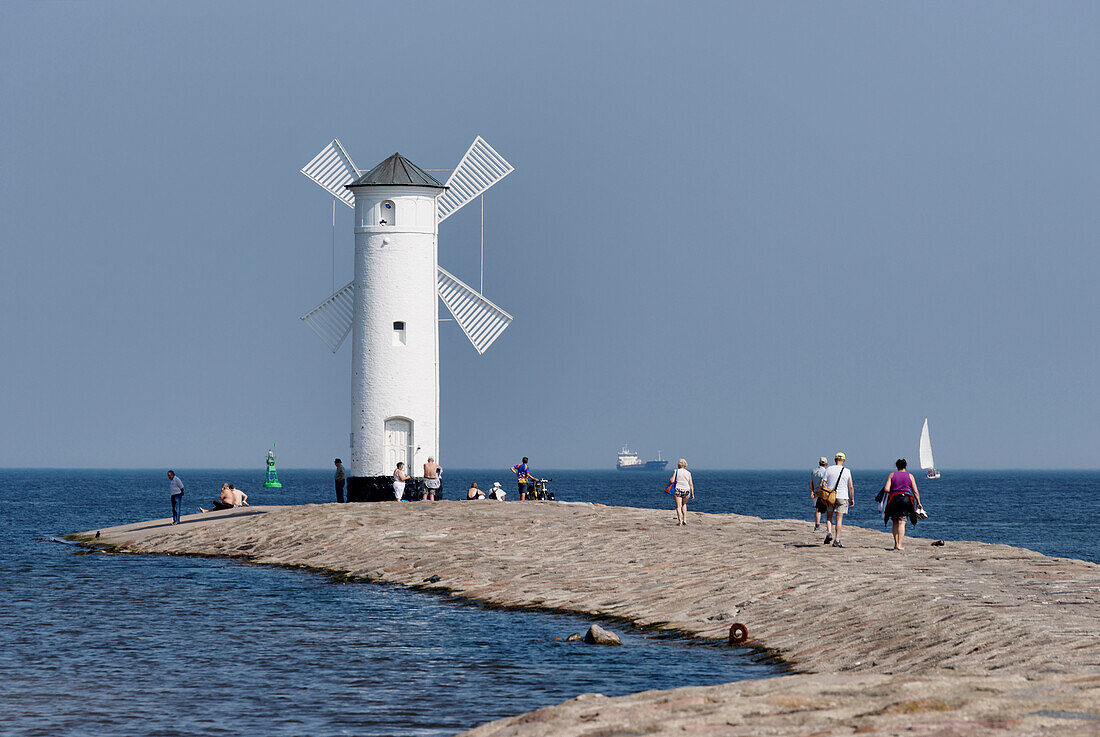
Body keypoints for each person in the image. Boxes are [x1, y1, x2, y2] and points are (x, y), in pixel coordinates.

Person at [883, 459, 922, 550]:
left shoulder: (892, 475)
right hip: (906, 500)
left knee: (895, 522)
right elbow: (915, 491)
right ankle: (899, 545)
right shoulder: (910, 476)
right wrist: (918, 503)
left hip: (894, 499)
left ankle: (896, 543)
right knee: (902, 522)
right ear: (906, 466)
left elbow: (886, 489)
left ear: (897, 466)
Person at [821, 452, 854, 547]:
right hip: (842, 496)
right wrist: (852, 498)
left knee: (829, 517)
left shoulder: (829, 469)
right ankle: (837, 540)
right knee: (839, 520)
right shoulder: (847, 471)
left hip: (831, 496)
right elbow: (850, 486)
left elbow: (823, 484)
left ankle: (829, 533)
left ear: (835, 460)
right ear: (843, 460)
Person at [669, 458, 694, 526]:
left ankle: (680, 521)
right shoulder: (688, 473)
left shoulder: (676, 471)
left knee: (678, 506)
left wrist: (670, 478)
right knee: (684, 504)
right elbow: (691, 484)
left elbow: (672, 481)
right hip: (687, 490)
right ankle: (685, 520)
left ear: (679, 465)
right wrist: (692, 494)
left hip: (678, 490)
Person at [810, 457, 829, 531]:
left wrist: (812, 492)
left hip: (815, 493)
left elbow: (810, 482)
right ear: (826, 464)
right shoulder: (825, 472)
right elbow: (822, 484)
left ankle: (817, 525)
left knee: (818, 510)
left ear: (819, 463)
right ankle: (827, 527)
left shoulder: (814, 471)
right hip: (822, 493)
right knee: (827, 510)